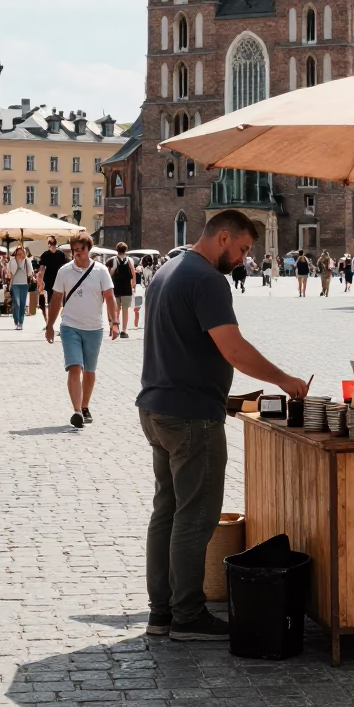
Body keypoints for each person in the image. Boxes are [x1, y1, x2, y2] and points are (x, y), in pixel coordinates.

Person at [136, 209, 310, 642]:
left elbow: (183, 344)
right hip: (191, 415)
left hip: (157, 407)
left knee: (167, 511)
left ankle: (161, 612)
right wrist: (284, 379)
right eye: (244, 249)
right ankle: (187, 615)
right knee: (195, 515)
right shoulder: (208, 279)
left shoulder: (168, 268)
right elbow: (233, 348)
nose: (244, 258)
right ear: (224, 237)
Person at [46, 232, 120, 427]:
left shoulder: (101, 271)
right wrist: (50, 325)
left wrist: (115, 322)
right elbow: (56, 299)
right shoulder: (64, 271)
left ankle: (85, 406)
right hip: (70, 325)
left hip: (94, 327)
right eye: (75, 250)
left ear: (89, 249)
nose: (78, 253)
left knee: (89, 370)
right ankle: (77, 411)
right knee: (75, 367)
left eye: (82, 249)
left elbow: (110, 297)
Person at [108, 242, 137, 338]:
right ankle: (124, 331)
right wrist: (133, 284)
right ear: (126, 250)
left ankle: (115, 327)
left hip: (116, 287)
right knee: (125, 309)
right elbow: (133, 271)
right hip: (126, 287)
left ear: (117, 250)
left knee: (116, 309)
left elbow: (112, 271)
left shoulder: (114, 259)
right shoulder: (129, 260)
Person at [37, 237, 67, 320]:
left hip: (53, 277)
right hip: (54, 277)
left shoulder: (47, 254)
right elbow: (42, 268)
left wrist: (41, 279)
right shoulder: (60, 254)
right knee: (56, 296)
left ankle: (53, 315)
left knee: (53, 296)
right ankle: (55, 314)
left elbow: (42, 268)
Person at [8, 245, 34, 329]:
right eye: (19, 253)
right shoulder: (12, 261)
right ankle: (16, 320)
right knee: (17, 303)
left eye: (22, 252)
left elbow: (30, 273)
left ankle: (21, 322)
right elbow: (10, 271)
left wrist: (24, 262)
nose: (20, 254)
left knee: (22, 304)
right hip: (15, 284)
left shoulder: (27, 261)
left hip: (24, 284)